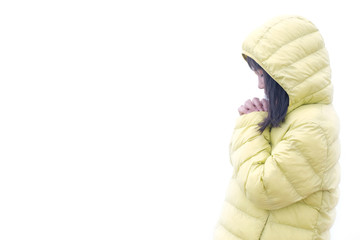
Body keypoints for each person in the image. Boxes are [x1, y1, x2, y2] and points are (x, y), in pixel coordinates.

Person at [213, 15, 340, 240]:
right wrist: (256, 123)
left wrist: (250, 124)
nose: (260, 85)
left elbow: (262, 187)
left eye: (263, 75)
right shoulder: (290, 114)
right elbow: (241, 167)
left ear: (288, 73)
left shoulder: (314, 127)